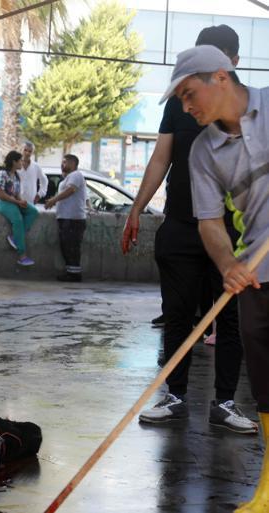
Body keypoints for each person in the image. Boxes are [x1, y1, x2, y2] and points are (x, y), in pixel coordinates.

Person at [122, 26, 254, 433]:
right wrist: (136, 209)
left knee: (230, 319)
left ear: (229, 65)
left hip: (233, 233)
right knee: (177, 316)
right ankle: (174, 394)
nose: (190, 103)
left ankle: (226, 402)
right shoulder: (181, 103)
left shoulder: (252, 109)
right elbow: (160, 159)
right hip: (182, 224)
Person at [162, 43, 269, 512]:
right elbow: (209, 222)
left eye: (189, 94)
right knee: (265, 379)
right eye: (181, 100)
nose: (187, 107)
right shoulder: (204, 151)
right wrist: (228, 265)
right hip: (258, 271)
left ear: (221, 77)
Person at [0, 150, 38, 266]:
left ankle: (15, 236)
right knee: (17, 218)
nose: (22, 163)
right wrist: (16, 202)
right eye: (20, 161)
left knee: (33, 211)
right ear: (14, 162)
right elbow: (0, 194)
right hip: (1, 202)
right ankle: (22, 255)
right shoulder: (2, 174)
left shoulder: (16, 176)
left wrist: (21, 201)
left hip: (13, 201)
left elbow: (16, 194)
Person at [45, 154, 87, 282]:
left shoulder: (76, 175)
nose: (62, 165)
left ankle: (75, 275)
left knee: (72, 247)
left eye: (65, 162)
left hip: (73, 219)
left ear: (73, 164)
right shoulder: (66, 179)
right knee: (66, 247)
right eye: (62, 162)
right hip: (65, 218)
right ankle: (71, 272)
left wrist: (54, 200)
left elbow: (71, 190)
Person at [19, 141, 48, 205]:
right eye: (25, 150)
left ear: (32, 153)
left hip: (30, 202)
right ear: (21, 150)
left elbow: (44, 180)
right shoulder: (15, 165)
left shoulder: (36, 166)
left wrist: (39, 194)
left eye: (30, 151)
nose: (27, 153)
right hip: (16, 201)